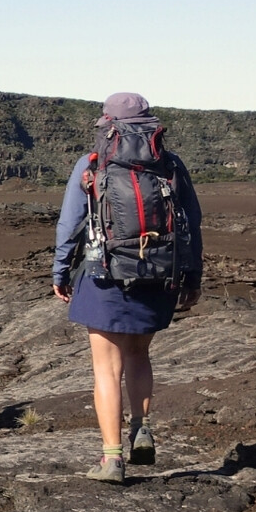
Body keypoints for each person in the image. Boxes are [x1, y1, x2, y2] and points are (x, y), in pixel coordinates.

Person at [52, 92, 203, 483]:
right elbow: (192, 223)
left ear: (108, 124)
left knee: (106, 368)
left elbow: (69, 225)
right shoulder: (170, 164)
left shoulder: (91, 164)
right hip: (158, 274)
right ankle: (141, 429)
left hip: (104, 274)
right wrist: (192, 277)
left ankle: (112, 459)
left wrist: (60, 272)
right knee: (139, 355)